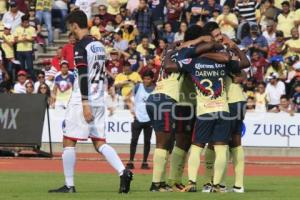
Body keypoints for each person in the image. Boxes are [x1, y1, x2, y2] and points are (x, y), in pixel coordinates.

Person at [48, 10, 133, 194]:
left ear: (74, 25)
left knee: (68, 140)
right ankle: (123, 171)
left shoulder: (80, 46)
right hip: (99, 98)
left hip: (82, 100)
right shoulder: (99, 45)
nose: (70, 31)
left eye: (70, 27)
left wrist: (85, 103)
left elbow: (84, 75)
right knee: (99, 142)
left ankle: (69, 185)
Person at [126, 70, 155, 170]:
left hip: (149, 120)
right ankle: (130, 161)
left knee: (147, 141)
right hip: (137, 118)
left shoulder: (155, 89)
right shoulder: (138, 87)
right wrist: (132, 111)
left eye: (148, 79)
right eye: (144, 79)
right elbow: (128, 98)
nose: (146, 81)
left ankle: (144, 162)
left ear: (152, 79)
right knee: (134, 140)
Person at [14, 14, 37, 81]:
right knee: (21, 68)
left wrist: (27, 39)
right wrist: (21, 40)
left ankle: (34, 81)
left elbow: (33, 39)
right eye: (24, 22)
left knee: (30, 67)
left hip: (28, 50)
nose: (26, 24)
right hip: (19, 50)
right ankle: (22, 81)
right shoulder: (17, 29)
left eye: (27, 22)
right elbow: (15, 40)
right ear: (22, 22)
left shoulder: (32, 28)